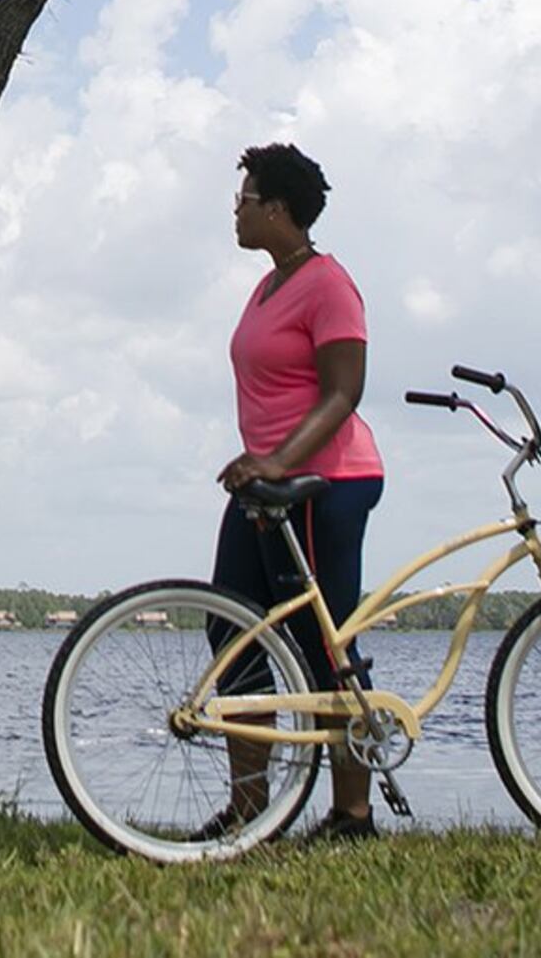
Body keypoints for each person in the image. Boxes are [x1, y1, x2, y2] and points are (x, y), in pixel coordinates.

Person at [213, 140, 388, 841]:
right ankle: (249, 806)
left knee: (325, 642)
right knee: (233, 629)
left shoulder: (329, 284)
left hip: (327, 481)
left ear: (279, 210)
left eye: (246, 199)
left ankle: (352, 815)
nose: (236, 209)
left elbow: (344, 392)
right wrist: (268, 467)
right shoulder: (269, 285)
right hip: (272, 480)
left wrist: (279, 460)